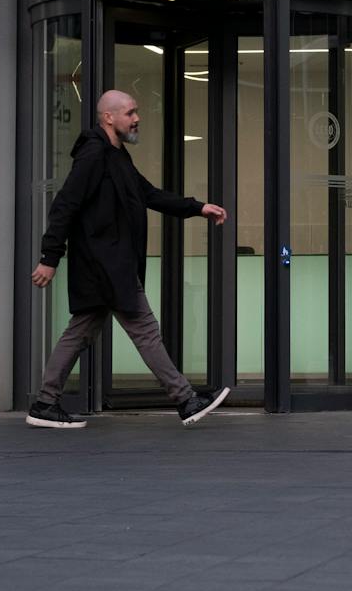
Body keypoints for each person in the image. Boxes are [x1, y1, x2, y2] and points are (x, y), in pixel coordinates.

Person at [26, 89, 232, 428]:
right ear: (109, 117)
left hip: (109, 264)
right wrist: (50, 256)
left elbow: (148, 194)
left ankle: (45, 403)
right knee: (146, 331)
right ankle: (185, 399)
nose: (137, 118)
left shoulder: (116, 156)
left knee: (78, 333)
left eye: (136, 112)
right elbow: (65, 205)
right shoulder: (93, 155)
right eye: (130, 112)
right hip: (106, 266)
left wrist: (197, 208)